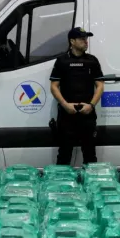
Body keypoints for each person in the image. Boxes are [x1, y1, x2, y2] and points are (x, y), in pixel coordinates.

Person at [49, 27, 104, 166]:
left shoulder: (93, 61)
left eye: (86, 39)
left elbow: (100, 85)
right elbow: (54, 86)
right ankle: (61, 186)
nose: (86, 41)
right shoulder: (61, 61)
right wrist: (65, 105)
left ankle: (91, 186)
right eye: (82, 39)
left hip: (87, 114)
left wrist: (91, 105)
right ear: (72, 41)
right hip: (67, 114)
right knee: (64, 155)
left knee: (90, 155)